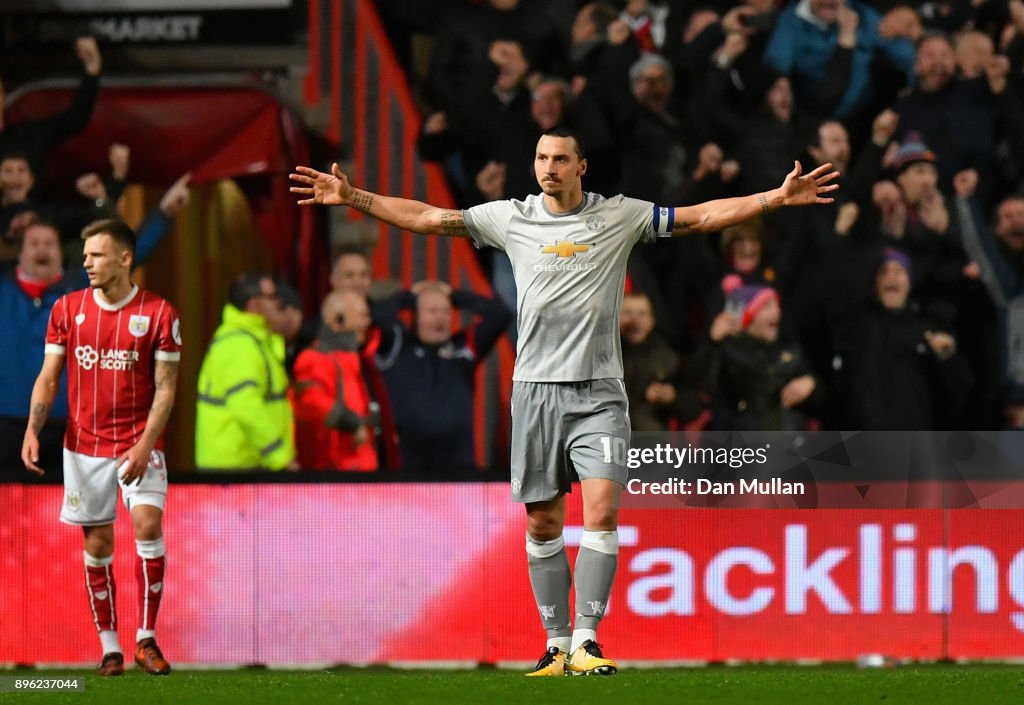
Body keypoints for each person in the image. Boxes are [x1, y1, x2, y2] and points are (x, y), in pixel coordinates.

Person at [290, 127, 838, 676]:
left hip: (599, 394)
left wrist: (774, 198)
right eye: (541, 157)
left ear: (582, 167)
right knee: (544, 525)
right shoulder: (512, 218)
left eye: (559, 158)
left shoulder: (620, 216)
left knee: (600, 510)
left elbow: (698, 216)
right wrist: (355, 197)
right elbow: (431, 218)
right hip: (534, 392)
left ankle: (587, 640)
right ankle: (555, 645)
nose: (548, 167)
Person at [21, 218, 180, 677]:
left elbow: (166, 389)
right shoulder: (67, 309)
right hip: (85, 446)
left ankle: (146, 639)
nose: (86, 262)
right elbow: (49, 376)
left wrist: (145, 443)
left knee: (148, 527)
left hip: (140, 442)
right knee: (98, 541)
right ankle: (109, 647)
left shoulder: (159, 313)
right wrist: (34, 429)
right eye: (85, 254)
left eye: (96, 254)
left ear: (124, 258)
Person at [0, 174, 190, 477]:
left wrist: (164, 212)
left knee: (70, 517)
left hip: (72, 428)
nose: (42, 250)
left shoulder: (80, 287)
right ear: (19, 253)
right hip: (7, 429)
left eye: (49, 243)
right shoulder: (3, 289)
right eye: (34, 244)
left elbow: (128, 258)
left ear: (60, 251)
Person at [374, 280, 511, 475]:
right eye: (431, 311)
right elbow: (377, 314)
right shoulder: (398, 347)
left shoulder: (464, 348)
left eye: (446, 311)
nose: (440, 318)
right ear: (416, 315)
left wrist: (456, 296)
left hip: (459, 466)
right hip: (407, 466)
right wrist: (409, 296)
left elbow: (500, 315)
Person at [194, 272, 297, 471]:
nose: (279, 303)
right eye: (273, 296)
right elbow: (246, 407)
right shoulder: (239, 345)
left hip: (248, 466)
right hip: (236, 471)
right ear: (254, 304)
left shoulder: (255, 340)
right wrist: (280, 457)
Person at [292, 289, 379, 471]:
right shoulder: (313, 359)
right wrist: (351, 423)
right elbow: (312, 400)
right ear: (338, 320)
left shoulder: (357, 360)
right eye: (362, 316)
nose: (367, 322)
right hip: (332, 469)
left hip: (360, 465)